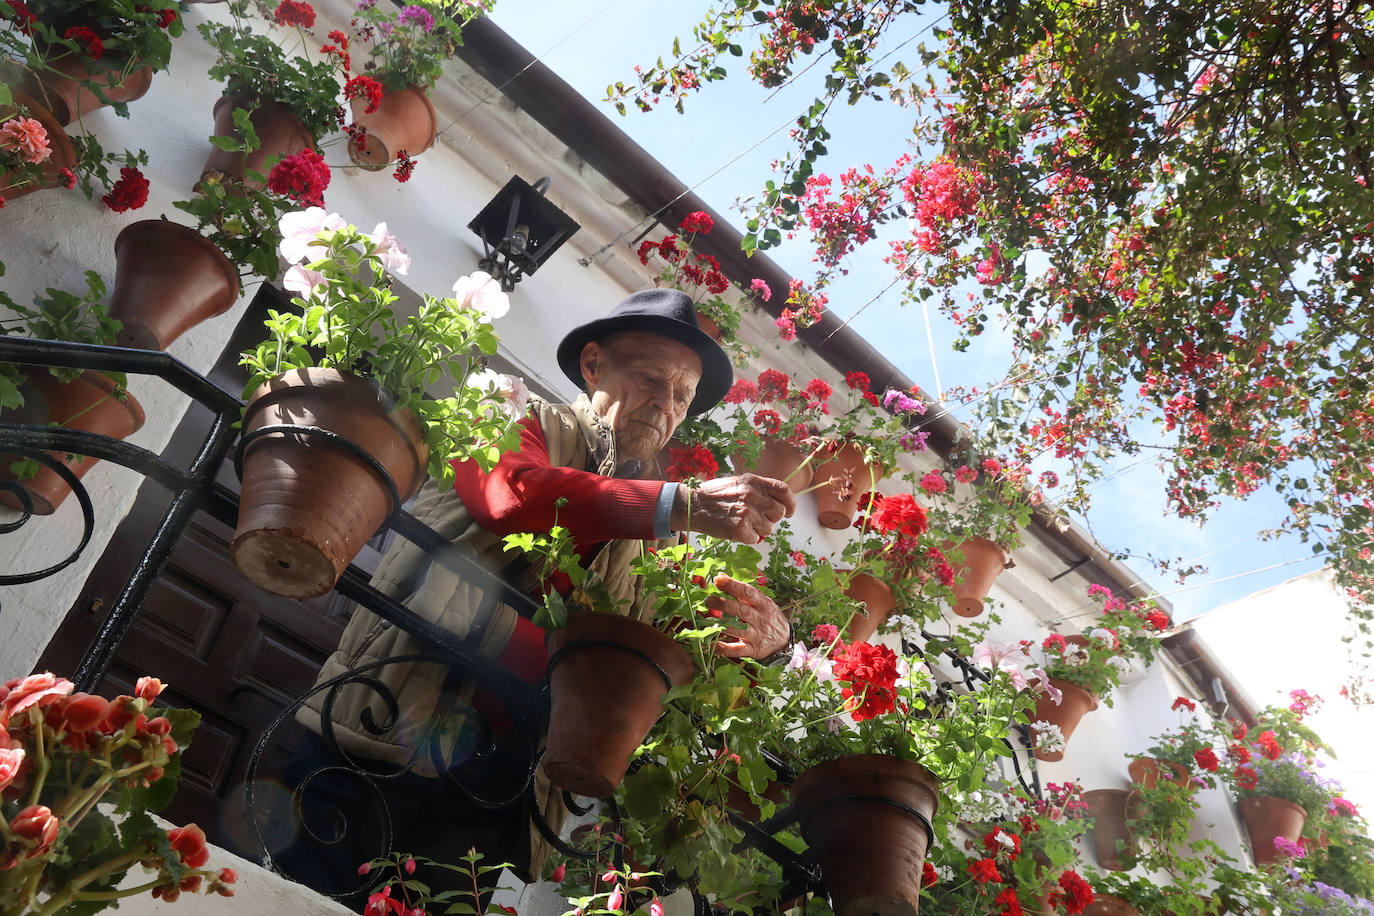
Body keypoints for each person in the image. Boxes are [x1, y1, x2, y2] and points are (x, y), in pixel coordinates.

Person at [277, 289, 797, 902]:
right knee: (298, 895)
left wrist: (770, 640)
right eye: (651, 378)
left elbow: (671, 638)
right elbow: (511, 495)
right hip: (392, 717)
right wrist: (677, 505)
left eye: (682, 395)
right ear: (593, 365)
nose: (666, 404)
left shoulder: (660, 532)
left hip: (507, 775)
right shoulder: (512, 412)